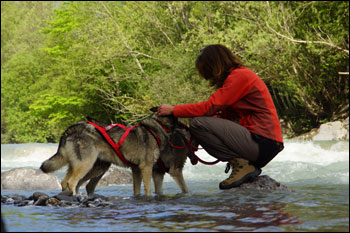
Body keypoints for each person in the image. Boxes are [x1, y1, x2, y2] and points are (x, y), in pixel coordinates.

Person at [157, 44, 284, 190]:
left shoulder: (240, 76)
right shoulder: (239, 77)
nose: (209, 78)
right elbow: (223, 116)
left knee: (198, 123)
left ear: (215, 65)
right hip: (263, 143)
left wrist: (174, 110)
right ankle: (242, 165)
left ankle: (242, 165)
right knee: (198, 126)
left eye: (208, 72)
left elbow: (209, 107)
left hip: (263, 142)